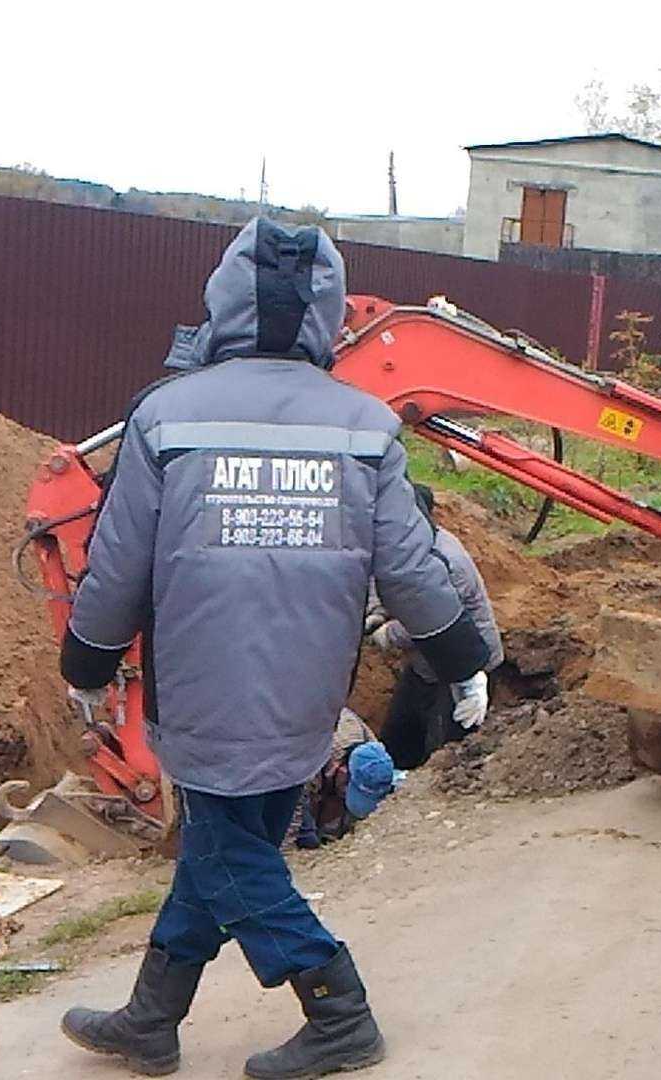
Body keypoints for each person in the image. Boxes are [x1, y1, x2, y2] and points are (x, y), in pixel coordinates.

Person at [56, 218, 491, 1079]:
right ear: (328, 314)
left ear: (220, 306)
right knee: (225, 849)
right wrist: (463, 655)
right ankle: (151, 1018)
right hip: (306, 699)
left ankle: (339, 1011)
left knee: (225, 852)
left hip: (202, 695)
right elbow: (411, 566)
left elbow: (116, 567)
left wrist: (87, 665)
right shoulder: (366, 427)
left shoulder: (166, 417)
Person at [367, 483, 504, 768]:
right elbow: (385, 581)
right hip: (426, 665)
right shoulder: (408, 547)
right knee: (399, 736)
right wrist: (376, 613)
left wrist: (386, 634)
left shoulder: (445, 562)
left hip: (465, 667)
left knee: (445, 751)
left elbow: (429, 620)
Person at [288, 708, 397, 849]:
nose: (346, 793)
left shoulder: (373, 753)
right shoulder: (307, 764)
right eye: (348, 788)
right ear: (341, 770)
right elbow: (290, 818)